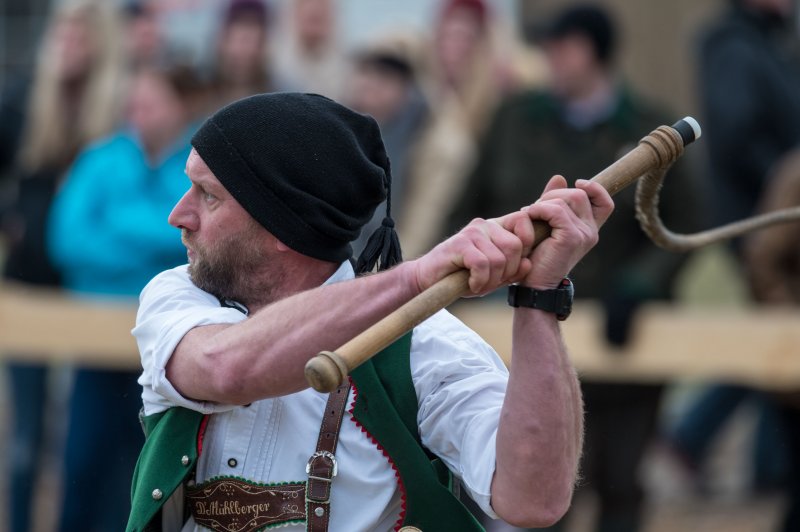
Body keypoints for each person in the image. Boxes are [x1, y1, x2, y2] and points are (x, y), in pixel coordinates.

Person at [124, 91, 614, 531]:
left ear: (280, 226)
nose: (179, 215)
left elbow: (535, 499)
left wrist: (539, 296)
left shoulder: (426, 347)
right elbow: (226, 368)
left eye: (208, 195)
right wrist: (419, 276)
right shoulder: (180, 296)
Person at [446, 5, 697, 531]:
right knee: (542, 478)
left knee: (619, 478)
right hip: (528, 321)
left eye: (563, 47)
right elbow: (466, 205)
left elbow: (685, 227)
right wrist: (445, 272)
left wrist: (641, 286)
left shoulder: (646, 129)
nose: (551, 59)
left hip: (623, 330)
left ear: (592, 53)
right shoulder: (515, 119)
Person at [47, 62, 203, 531]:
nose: (138, 113)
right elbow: (67, 238)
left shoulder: (199, 160)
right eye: (132, 103)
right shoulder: (101, 157)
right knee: (82, 458)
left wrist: (114, 224)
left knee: (143, 464)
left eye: (150, 103)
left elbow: (198, 247)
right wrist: (153, 236)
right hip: (94, 338)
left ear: (180, 105)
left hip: (165, 344)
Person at [665, 0, 800, 496]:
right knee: (772, 336)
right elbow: (739, 133)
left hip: (772, 215)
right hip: (760, 221)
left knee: (776, 339)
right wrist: (786, 187)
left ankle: (766, 465)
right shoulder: (736, 45)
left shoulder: (770, 41)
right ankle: (691, 438)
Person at [0, 1, 125, 530]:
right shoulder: (23, 101)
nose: (69, 42)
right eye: (64, 31)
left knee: (81, 438)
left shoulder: (115, 110)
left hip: (94, 292)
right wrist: (16, 222)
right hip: (29, 285)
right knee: (27, 440)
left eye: (81, 32)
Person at [347, 33, 429, 256]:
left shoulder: (423, 145)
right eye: (367, 70)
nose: (372, 82)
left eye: (386, 74)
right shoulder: (335, 126)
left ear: (407, 88)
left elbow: (418, 227)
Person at [207, 0, 273, 109]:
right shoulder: (199, 93)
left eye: (250, 41)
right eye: (237, 40)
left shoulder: (280, 95)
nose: (242, 50)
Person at [271, 0, 344, 98]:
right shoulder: (271, 65)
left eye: (321, 4)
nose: (314, 8)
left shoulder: (348, 71)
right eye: (307, 3)